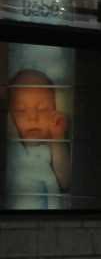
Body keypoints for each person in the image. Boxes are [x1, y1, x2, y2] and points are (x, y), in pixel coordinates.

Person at [5, 68, 70, 208]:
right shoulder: (12, 148)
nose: (33, 118)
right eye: (21, 110)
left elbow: (65, 181)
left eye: (43, 109)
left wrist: (58, 137)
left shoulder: (51, 148)